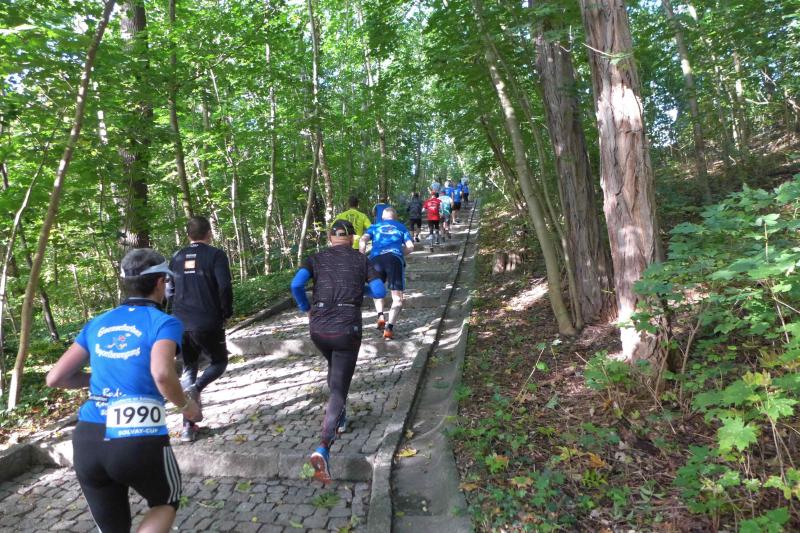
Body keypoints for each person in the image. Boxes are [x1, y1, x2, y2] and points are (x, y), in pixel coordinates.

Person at [47, 248, 202, 533]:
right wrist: (187, 407)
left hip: (88, 439)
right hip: (138, 438)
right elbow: (161, 373)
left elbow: (56, 378)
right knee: (165, 500)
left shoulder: (97, 323)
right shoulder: (164, 322)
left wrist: (105, 380)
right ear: (160, 282)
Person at [290, 220, 386, 484]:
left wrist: (305, 307)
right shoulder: (361, 259)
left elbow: (296, 285)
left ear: (330, 237)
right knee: (339, 388)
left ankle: (340, 419)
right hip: (346, 328)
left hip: (319, 328)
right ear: (352, 237)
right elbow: (380, 290)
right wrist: (360, 288)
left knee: (335, 369)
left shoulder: (315, 258)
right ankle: (323, 447)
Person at [168, 216, 233, 443]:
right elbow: (224, 286)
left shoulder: (176, 257)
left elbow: (169, 291)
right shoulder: (216, 255)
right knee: (219, 362)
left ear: (188, 235)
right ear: (209, 233)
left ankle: (188, 428)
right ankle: (197, 387)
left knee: (189, 368)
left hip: (180, 323)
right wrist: (226, 311)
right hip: (208, 321)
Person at [359, 207, 414, 340]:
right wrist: (400, 253)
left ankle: (380, 315)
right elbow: (411, 247)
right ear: (395, 217)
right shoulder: (401, 227)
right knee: (397, 298)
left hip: (375, 259)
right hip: (394, 259)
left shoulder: (374, 226)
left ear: (382, 217)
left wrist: (362, 256)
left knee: (377, 290)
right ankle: (389, 328)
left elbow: (363, 240)